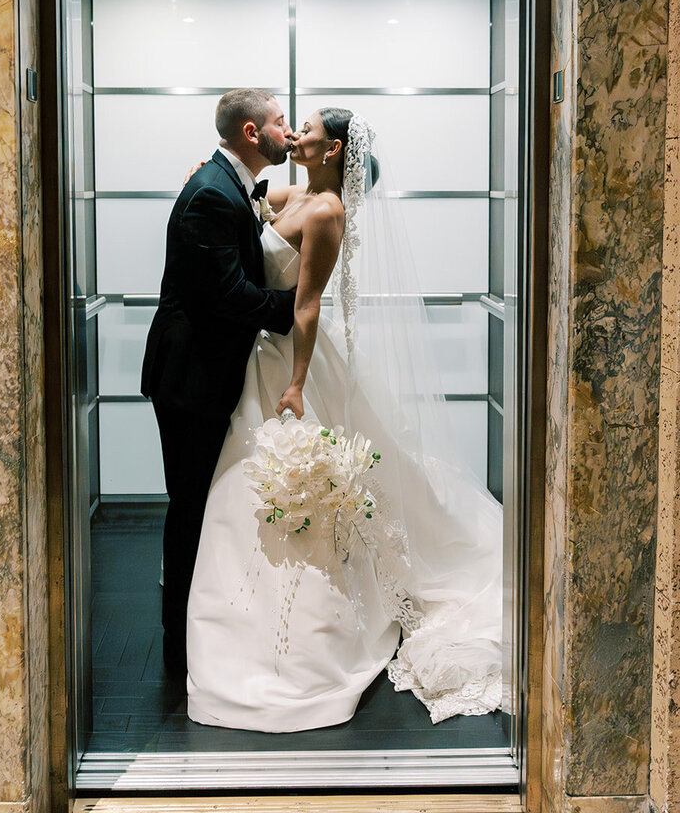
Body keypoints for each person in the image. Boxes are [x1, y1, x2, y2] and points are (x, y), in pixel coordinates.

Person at [186, 108, 504, 731]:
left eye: (303, 130)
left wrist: (298, 384)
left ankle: (307, 629)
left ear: (331, 149)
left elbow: (306, 306)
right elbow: (245, 196)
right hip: (257, 350)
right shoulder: (293, 192)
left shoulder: (328, 212)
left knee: (292, 482)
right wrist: (204, 174)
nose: (294, 136)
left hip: (290, 358)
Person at [141, 88, 297, 676]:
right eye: (281, 122)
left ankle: (197, 623)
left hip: (206, 371)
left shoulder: (227, 183)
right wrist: (298, 309)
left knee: (200, 501)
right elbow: (226, 294)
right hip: (191, 379)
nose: (288, 131)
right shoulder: (211, 192)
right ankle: (179, 642)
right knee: (190, 505)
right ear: (252, 133)